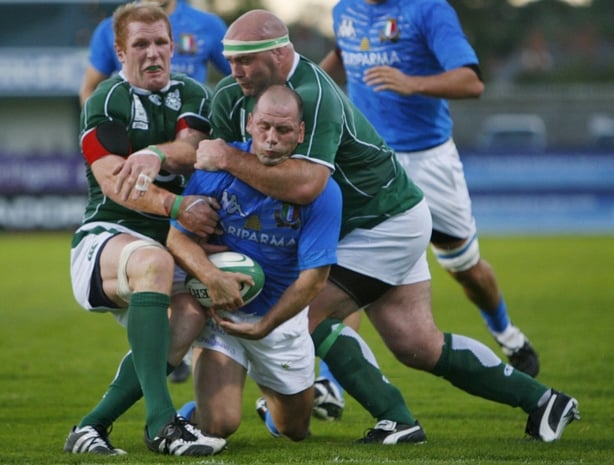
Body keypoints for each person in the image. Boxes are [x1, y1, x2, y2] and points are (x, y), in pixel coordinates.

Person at [192, 9, 579, 444]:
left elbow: (305, 185)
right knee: (419, 344)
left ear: (281, 53)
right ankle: (544, 400)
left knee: (300, 313)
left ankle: (395, 417)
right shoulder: (232, 93)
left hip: (383, 221)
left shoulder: (313, 93)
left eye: (246, 60)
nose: (234, 70)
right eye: (231, 59)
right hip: (378, 218)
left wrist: (226, 157)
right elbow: (216, 167)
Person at [319, 0, 540, 380]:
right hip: (366, 161)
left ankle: (508, 334)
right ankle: (331, 384)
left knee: (465, 268)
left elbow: (471, 82)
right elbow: (343, 53)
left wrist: (412, 83)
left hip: (428, 161)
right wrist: (309, 87)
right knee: (345, 268)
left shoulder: (428, 10)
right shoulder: (344, 11)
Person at [63, 2, 226, 456]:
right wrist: (177, 205)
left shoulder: (194, 94)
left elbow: (192, 148)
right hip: (106, 239)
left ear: (173, 47)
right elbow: (118, 187)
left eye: (160, 43)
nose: (152, 53)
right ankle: (162, 426)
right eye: (140, 44)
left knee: (193, 312)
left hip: (169, 241)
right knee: (153, 261)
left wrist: (155, 153)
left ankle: (92, 426)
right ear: (120, 51)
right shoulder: (104, 102)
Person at [167, 84, 342, 441]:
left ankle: (271, 406)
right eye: (264, 127)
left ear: (301, 133)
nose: (271, 138)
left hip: (279, 320)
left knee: (294, 430)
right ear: (249, 124)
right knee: (218, 426)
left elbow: (314, 280)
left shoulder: (320, 190)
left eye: (283, 130)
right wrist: (210, 275)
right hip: (223, 314)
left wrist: (266, 324)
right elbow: (175, 236)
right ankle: (188, 418)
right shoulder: (216, 168)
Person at [79, 0, 231, 106]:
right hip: (134, 132)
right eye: (140, 44)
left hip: (190, 130)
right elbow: (89, 89)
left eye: (161, 42)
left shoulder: (207, 25)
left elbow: (241, 76)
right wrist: (102, 128)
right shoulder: (110, 29)